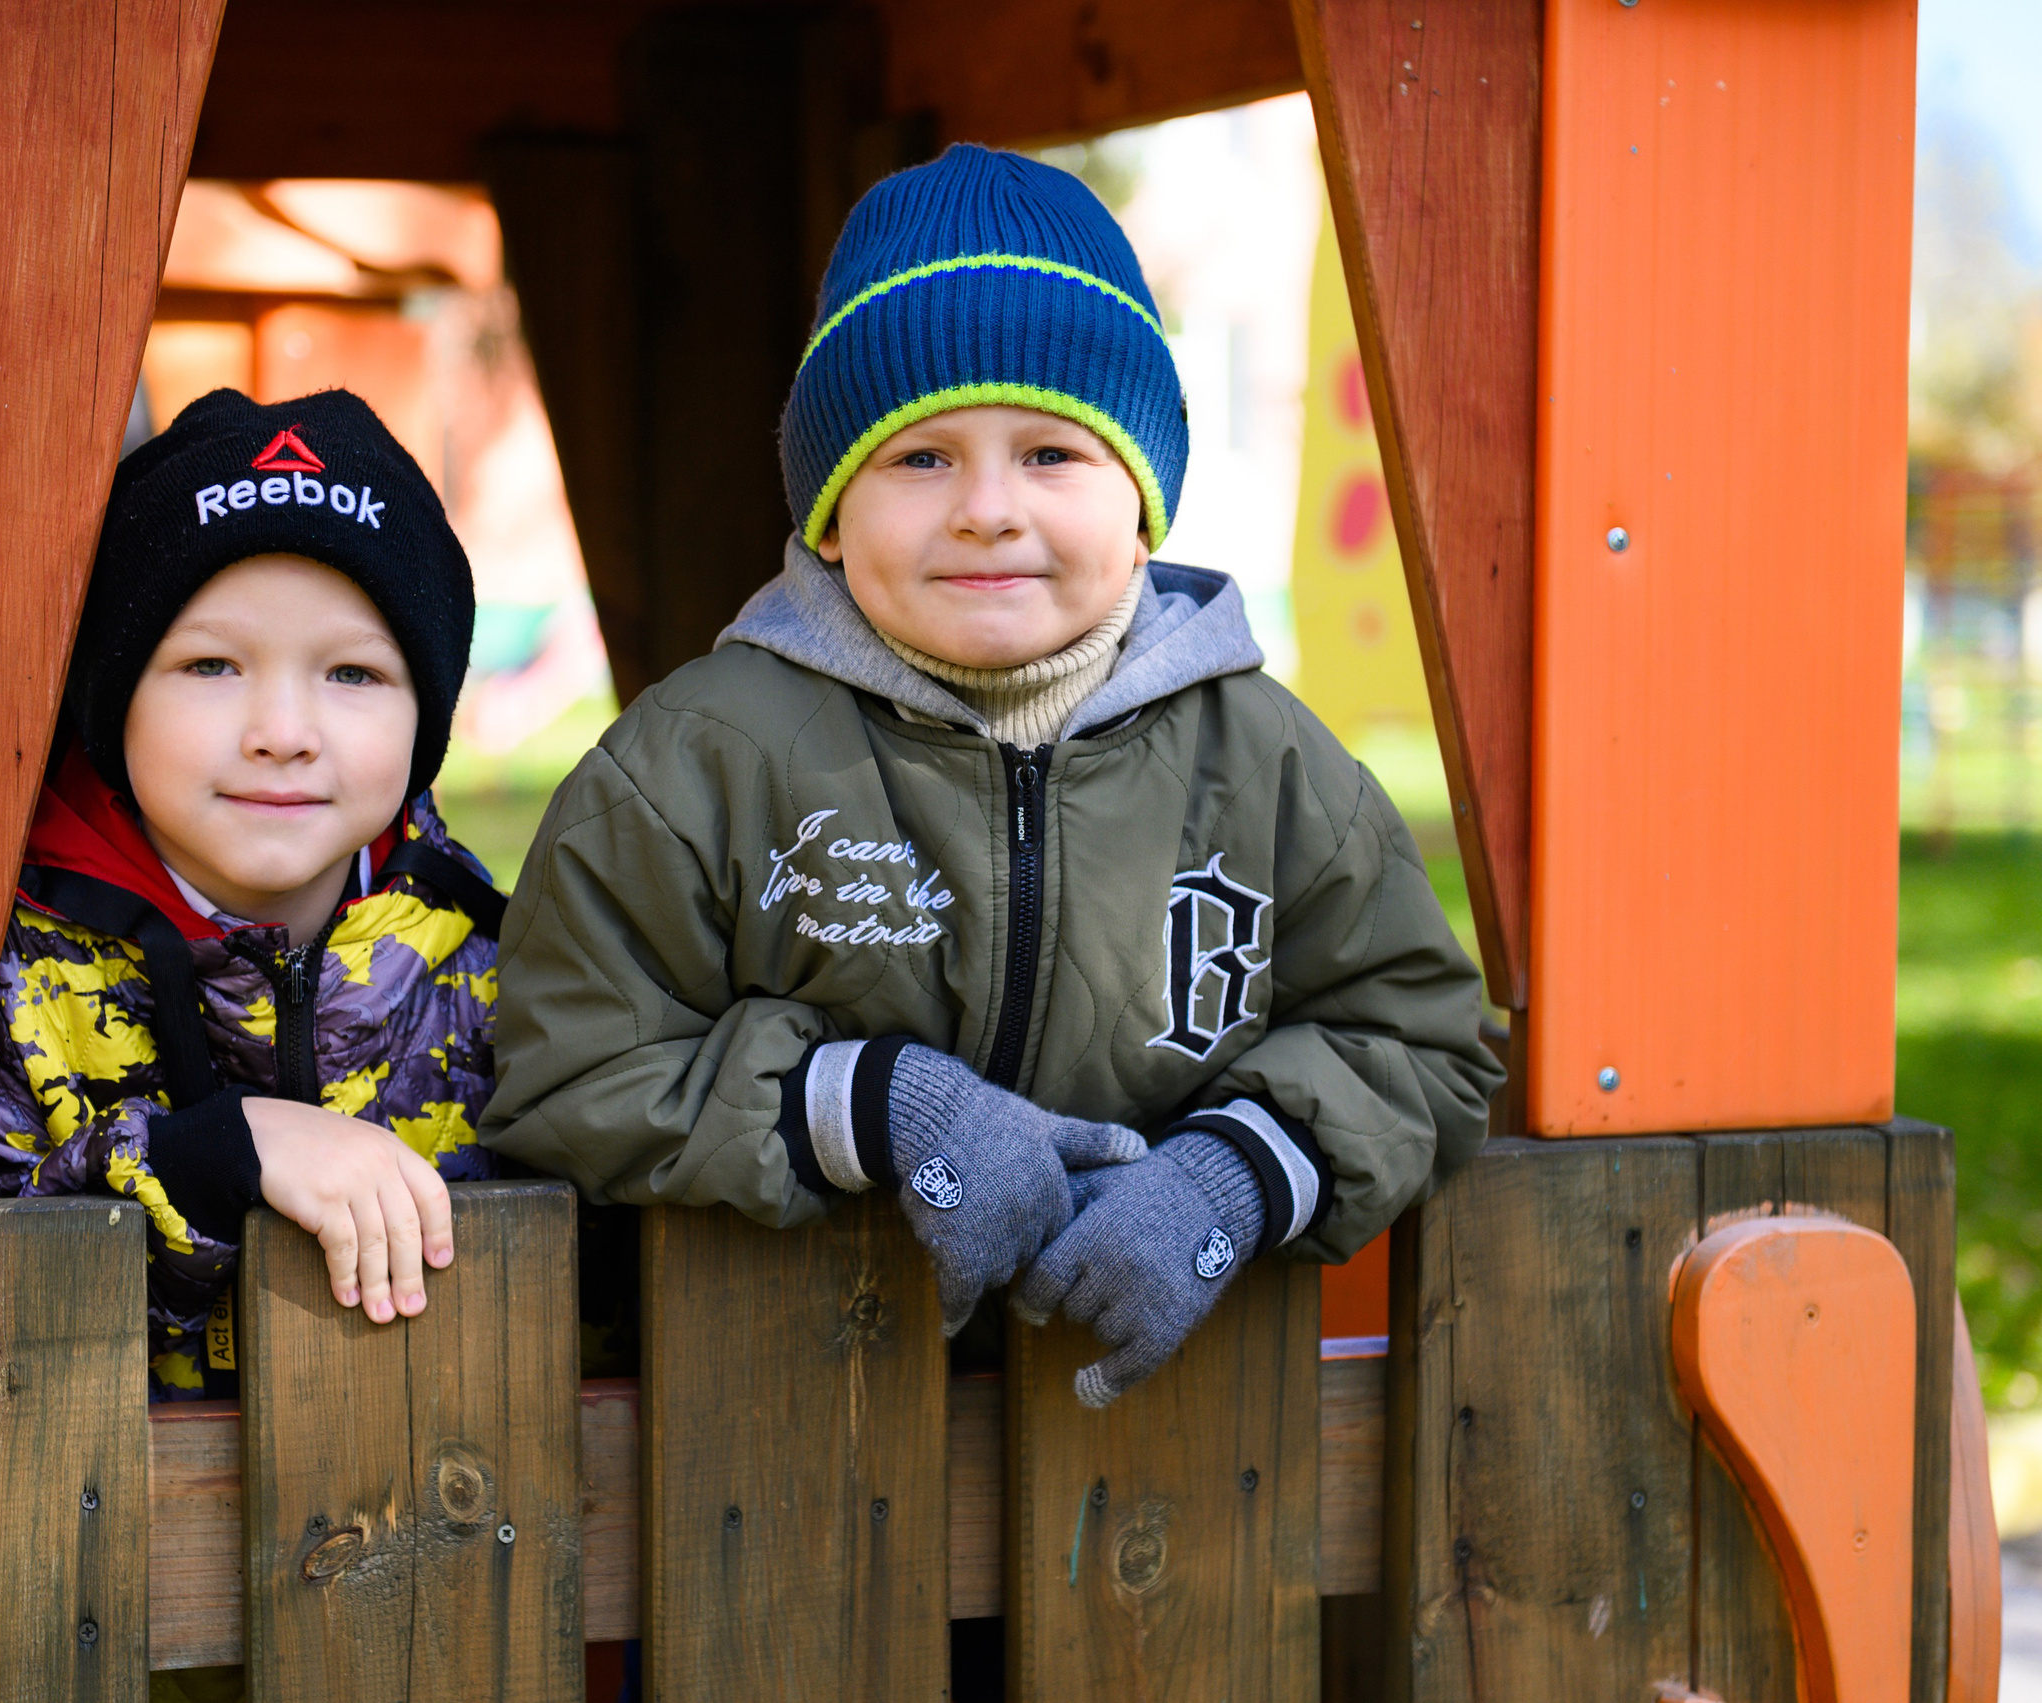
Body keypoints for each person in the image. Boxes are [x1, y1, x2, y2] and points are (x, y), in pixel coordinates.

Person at [481, 145, 1504, 1406]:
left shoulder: (1270, 764)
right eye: (919, 458)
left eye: (1050, 454)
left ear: (1142, 498)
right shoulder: (698, 761)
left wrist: (1232, 1176)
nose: (986, 508)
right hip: (790, 1431)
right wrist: (874, 1104)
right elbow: (568, 1066)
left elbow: (1417, 1046)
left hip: (1163, 1457)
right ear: (827, 510)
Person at [0, 388, 505, 1400]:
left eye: (352, 674)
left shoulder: (505, 970)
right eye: (212, 663)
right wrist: (211, 1155)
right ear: (112, 696)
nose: (282, 732)